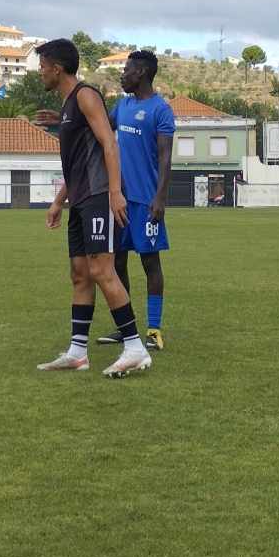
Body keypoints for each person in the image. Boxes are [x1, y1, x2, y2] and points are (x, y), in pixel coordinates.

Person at [32, 38, 152, 378]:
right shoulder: (69, 106)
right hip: (81, 200)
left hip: (100, 196)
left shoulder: (86, 96)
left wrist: (115, 192)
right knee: (80, 274)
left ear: (57, 68)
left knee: (102, 271)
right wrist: (58, 202)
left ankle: (134, 347)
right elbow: (76, 163)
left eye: (42, 66)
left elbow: (109, 144)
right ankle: (77, 352)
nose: (40, 72)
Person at [96, 50, 175, 351]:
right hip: (119, 200)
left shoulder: (161, 110)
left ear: (140, 73)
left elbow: (166, 158)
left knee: (150, 263)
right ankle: (125, 327)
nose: (122, 74)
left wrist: (160, 198)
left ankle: (153, 330)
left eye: (126, 69)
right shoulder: (123, 106)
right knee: (117, 262)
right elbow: (102, 131)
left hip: (146, 201)